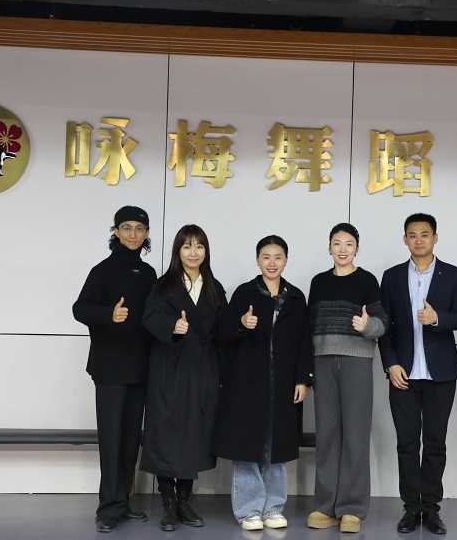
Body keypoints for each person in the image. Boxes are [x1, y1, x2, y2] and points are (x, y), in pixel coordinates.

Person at [214, 235, 313, 531]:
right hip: (246, 380)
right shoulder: (244, 293)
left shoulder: (296, 297)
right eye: (266, 257)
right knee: (247, 444)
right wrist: (241, 324)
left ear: (286, 260)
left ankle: (273, 508)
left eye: (278, 257)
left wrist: (302, 379)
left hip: (283, 380)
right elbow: (222, 335)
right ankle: (248, 510)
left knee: (276, 444)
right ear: (257, 260)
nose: (272, 263)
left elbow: (303, 342)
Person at [379, 213, 457, 535]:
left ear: (435, 238)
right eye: (413, 235)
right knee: (406, 443)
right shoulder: (391, 277)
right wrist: (391, 364)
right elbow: (384, 326)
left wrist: (436, 318)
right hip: (402, 373)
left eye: (425, 234)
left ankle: (430, 508)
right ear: (405, 239)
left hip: (440, 374)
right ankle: (410, 508)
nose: (419, 240)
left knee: (434, 443)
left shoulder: (454, 275)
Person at [72, 206, 157, 533]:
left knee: (130, 441)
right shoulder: (103, 270)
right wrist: (109, 314)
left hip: (140, 369)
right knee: (111, 440)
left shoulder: (148, 273)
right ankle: (108, 508)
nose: (133, 234)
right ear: (116, 231)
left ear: (146, 234)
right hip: (109, 368)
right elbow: (80, 309)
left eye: (139, 228)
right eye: (127, 227)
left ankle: (122, 502)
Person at [141, 224, 227, 532]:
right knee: (165, 431)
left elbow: (224, 331)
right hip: (170, 367)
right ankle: (167, 501)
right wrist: (172, 327)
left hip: (202, 370)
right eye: (187, 246)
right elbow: (149, 317)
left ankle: (184, 501)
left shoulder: (214, 287)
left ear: (206, 251)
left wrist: (241, 325)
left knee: (194, 433)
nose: (193, 252)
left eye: (199, 246)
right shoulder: (164, 285)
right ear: (178, 251)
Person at [306, 222, 387, 534]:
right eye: (337, 243)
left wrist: (367, 326)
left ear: (357, 249)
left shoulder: (367, 280)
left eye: (349, 244)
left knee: (355, 433)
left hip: (357, 362)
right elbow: (310, 325)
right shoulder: (319, 282)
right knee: (327, 433)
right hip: (323, 361)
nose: (343, 249)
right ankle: (325, 506)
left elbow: (382, 323)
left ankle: (352, 508)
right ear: (329, 247)